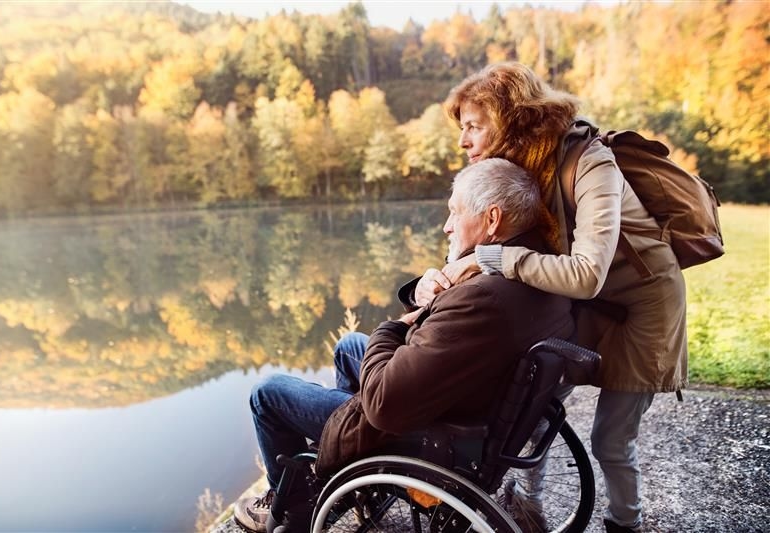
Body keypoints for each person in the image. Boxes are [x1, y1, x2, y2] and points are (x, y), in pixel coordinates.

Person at [408, 62, 688, 533]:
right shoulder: (513, 171)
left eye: (474, 126)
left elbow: (586, 275)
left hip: (642, 308)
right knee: (531, 403)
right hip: (582, 304)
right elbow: (466, 239)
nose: (463, 140)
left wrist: (496, 258)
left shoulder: (590, 162)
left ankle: (626, 522)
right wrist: (435, 279)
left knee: (611, 440)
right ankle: (525, 509)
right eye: (463, 128)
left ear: (512, 120)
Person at [231, 158, 575, 532]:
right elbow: (447, 327)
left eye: (455, 213)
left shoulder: (483, 299)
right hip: (470, 401)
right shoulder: (534, 268)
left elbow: (383, 406)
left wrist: (391, 328)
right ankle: (343, 479)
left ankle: (292, 509)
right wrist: (426, 292)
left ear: (492, 220)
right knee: (349, 346)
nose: (447, 226)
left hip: (434, 433)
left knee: (267, 393)